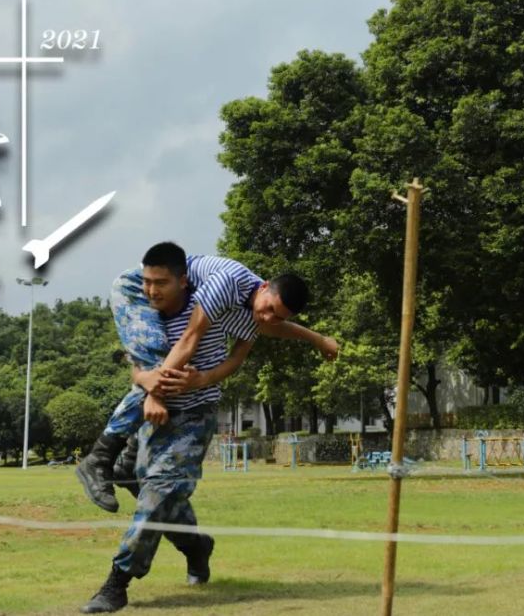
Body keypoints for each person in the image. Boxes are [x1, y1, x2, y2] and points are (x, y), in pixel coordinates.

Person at [79, 242, 337, 614]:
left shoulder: (247, 311)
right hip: (158, 411)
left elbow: (242, 352)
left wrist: (316, 339)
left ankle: (116, 584)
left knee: (160, 492)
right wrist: (150, 388)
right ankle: (195, 545)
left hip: (194, 412)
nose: (266, 319)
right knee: (146, 486)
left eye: (274, 316)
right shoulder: (153, 315)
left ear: (183, 282)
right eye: (151, 284)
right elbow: (150, 361)